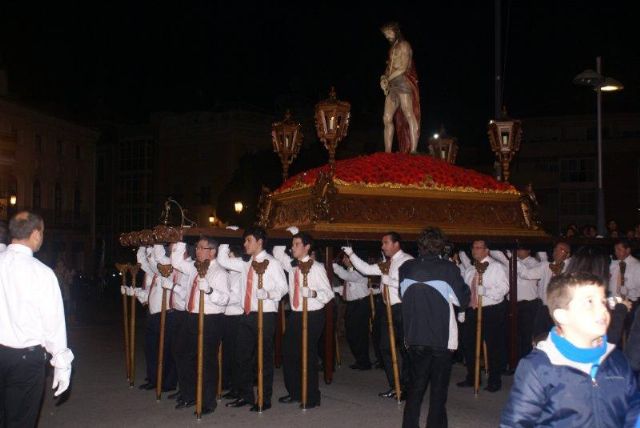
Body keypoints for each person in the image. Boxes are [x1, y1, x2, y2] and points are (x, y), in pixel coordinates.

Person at [500, 272, 640, 427]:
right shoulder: (539, 367)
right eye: (589, 302)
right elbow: (516, 422)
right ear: (562, 316)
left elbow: (633, 412)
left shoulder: (616, 360)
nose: (601, 310)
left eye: (602, 301)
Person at [0, 211, 74, 427]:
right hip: (25, 360)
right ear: (34, 234)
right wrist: (62, 362)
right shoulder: (41, 273)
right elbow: (53, 324)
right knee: (20, 420)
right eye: (42, 232)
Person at [400, 227, 470, 428]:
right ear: (441, 246)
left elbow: (402, 294)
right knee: (438, 391)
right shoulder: (447, 268)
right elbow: (462, 300)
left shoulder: (406, 267)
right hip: (441, 337)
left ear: (419, 245)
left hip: (414, 335)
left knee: (415, 388)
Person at [217, 227, 288, 412]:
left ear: (260, 241)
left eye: (248, 240)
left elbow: (283, 287)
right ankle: (246, 395)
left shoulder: (272, 263)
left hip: (265, 315)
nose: (245, 244)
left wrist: (269, 293)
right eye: (244, 241)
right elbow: (222, 260)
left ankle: (264, 399)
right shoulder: (245, 263)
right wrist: (225, 238)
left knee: (263, 359)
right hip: (247, 315)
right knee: (241, 357)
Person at [343, 231, 414, 399]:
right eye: (382, 243)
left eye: (386, 243)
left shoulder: (407, 261)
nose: (382, 246)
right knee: (385, 347)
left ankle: (407, 386)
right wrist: (351, 254)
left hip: (402, 309)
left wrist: (393, 283)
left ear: (396, 244)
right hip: (386, 308)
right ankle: (395, 385)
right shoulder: (385, 263)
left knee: (406, 349)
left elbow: (411, 285)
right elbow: (366, 269)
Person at [273, 232, 333, 408]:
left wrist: (313, 293)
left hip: (313, 315)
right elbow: (277, 252)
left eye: (297, 244)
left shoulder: (317, 268)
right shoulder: (293, 266)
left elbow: (328, 294)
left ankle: (312, 397)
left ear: (307, 247)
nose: (293, 247)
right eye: (292, 244)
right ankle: (295, 393)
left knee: (307, 354)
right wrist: (291, 234)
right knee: (289, 352)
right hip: (297, 314)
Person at [171, 237, 229, 415]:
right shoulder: (194, 267)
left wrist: (210, 291)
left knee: (207, 360)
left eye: (201, 248)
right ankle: (189, 394)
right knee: (181, 352)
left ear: (212, 252)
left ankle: (207, 401)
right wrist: (179, 239)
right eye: (196, 247)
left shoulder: (219, 272)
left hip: (210, 319)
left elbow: (225, 299)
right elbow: (177, 262)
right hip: (192, 317)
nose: (197, 251)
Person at [457, 239, 509, 392]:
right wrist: (462, 310)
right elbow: (466, 292)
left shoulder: (495, 267)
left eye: (479, 248)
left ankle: (494, 380)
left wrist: (485, 292)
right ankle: (473, 377)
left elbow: (504, 288)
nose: (475, 250)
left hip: (491, 310)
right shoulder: (471, 269)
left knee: (493, 346)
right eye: (473, 247)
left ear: (487, 250)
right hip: (473, 309)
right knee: (469, 345)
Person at [490, 247, 543, 359]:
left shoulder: (534, 263)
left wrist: (510, 258)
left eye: (521, 248)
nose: (518, 251)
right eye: (516, 249)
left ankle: (525, 363)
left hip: (527, 305)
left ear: (529, 250)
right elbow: (495, 253)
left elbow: (525, 273)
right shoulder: (509, 261)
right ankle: (513, 361)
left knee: (526, 336)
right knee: (511, 335)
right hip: (511, 304)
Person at [379, 21, 420, 153]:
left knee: (408, 114)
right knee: (386, 118)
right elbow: (389, 68)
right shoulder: (392, 48)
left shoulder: (404, 45)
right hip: (392, 85)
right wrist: (383, 78)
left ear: (396, 31)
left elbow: (402, 68)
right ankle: (387, 152)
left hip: (402, 82)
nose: (387, 37)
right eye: (385, 35)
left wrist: (388, 78)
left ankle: (413, 150)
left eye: (389, 33)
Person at [332, 252, 373, 370]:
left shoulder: (360, 271)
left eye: (346, 258)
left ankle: (364, 362)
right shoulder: (351, 271)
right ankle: (360, 360)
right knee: (351, 334)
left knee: (359, 334)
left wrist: (334, 266)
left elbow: (347, 277)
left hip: (360, 305)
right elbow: (348, 288)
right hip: (352, 305)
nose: (344, 260)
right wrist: (333, 289)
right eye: (344, 257)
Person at [220, 246, 243, 400]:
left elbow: (237, 297)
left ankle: (237, 387)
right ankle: (227, 383)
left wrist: (221, 297)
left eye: (230, 255)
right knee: (227, 353)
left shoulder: (241, 274)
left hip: (237, 317)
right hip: (226, 316)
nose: (227, 259)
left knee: (236, 355)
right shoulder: (228, 274)